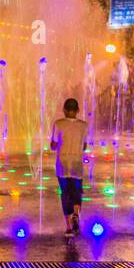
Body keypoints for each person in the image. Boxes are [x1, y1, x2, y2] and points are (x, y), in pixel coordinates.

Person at [50, 98, 88, 235]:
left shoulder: (58, 124)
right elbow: (84, 146)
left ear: (64, 110)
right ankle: (76, 213)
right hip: (77, 164)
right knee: (77, 192)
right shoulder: (84, 125)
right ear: (77, 110)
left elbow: (53, 146)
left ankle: (69, 227)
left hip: (62, 164)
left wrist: (57, 143)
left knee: (65, 194)